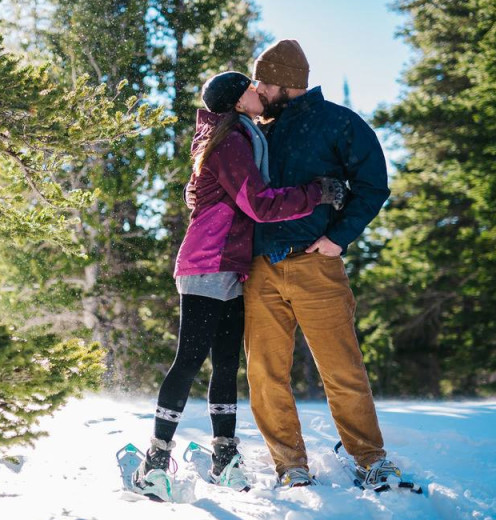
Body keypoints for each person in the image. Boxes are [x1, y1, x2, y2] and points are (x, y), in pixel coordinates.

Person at [131, 71, 347, 502]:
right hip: (208, 262)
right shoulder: (231, 142)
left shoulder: (242, 135)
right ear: (236, 100)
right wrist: (317, 193)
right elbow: (260, 204)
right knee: (190, 361)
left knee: (226, 364)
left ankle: (224, 458)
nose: (257, 91)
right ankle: (154, 462)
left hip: (232, 265)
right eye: (249, 87)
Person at [218, 39, 397, 489]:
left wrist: (338, 238)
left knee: (341, 368)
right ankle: (290, 465)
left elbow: (373, 184)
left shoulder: (338, 123)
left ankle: (370, 459)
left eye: (262, 81)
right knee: (264, 373)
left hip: (316, 264)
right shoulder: (255, 130)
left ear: (285, 82)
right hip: (259, 268)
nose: (256, 89)